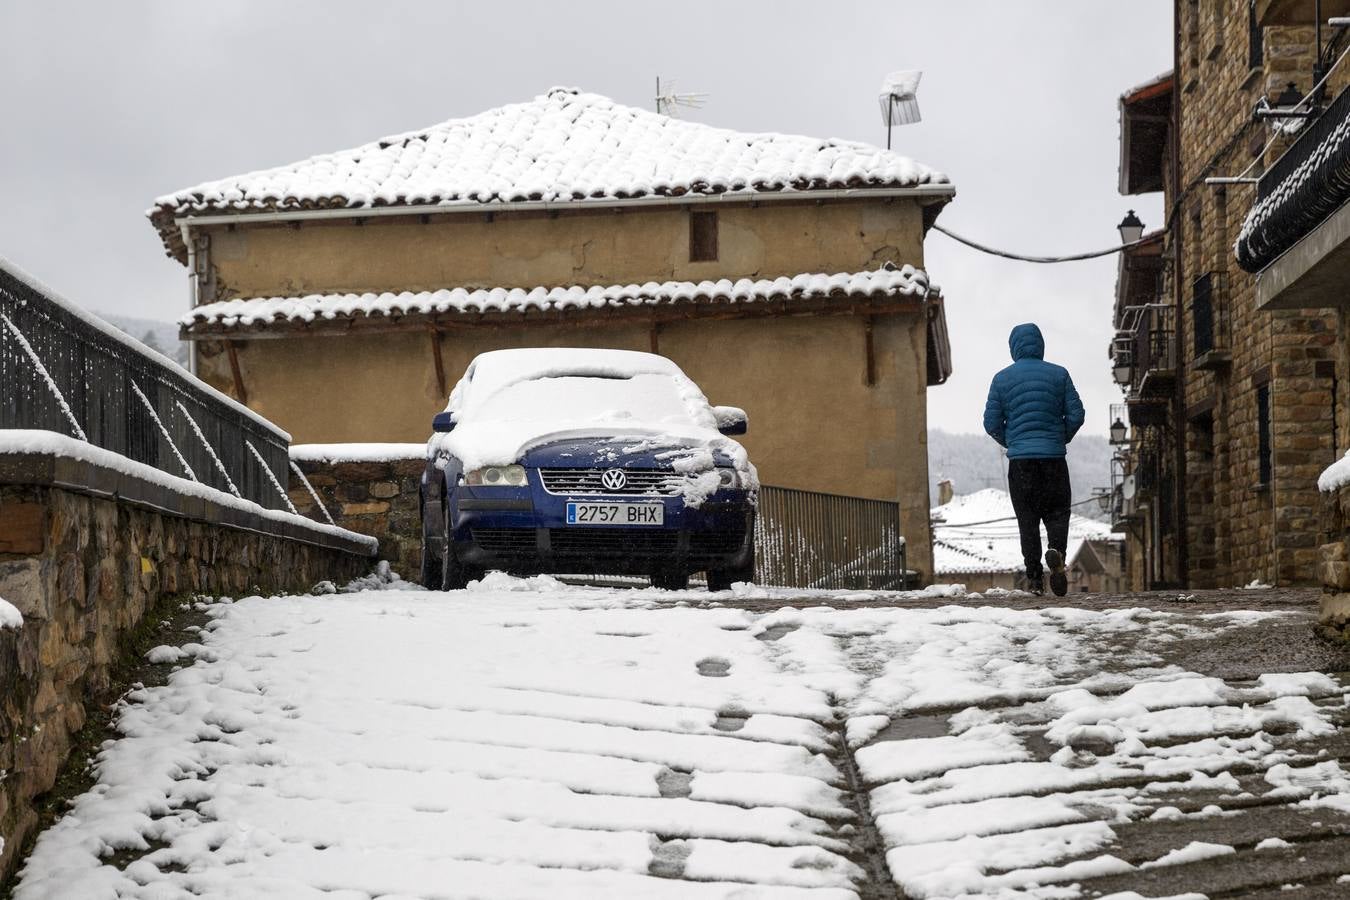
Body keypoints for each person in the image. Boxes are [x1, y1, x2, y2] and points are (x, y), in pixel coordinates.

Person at [982, 323, 1085, 596]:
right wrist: (1059, 438)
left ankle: (1035, 579)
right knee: (1058, 514)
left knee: (1027, 520)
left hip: (1021, 464)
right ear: (1040, 345)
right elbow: (1077, 414)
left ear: (1014, 347)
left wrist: (1012, 442)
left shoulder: (1001, 379)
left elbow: (991, 422)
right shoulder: (1059, 375)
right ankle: (1057, 553)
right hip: (1053, 460)